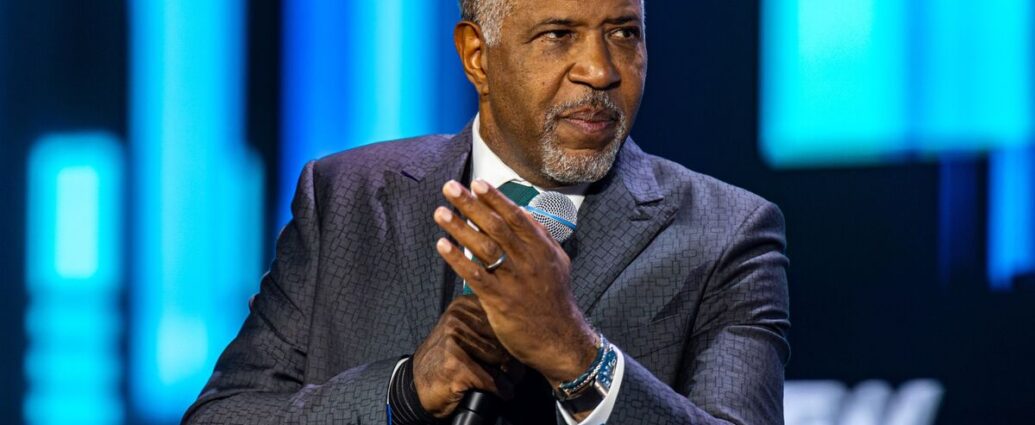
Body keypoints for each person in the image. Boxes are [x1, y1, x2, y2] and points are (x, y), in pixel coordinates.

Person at [183, 0, 790, 424]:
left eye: (624, 34)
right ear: (477, 55)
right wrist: (405, 390)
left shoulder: (727, 234)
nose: (601, 71)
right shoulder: (345, 198)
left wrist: (579, 358)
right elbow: (224, 416)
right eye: (559, 35)